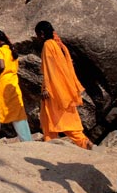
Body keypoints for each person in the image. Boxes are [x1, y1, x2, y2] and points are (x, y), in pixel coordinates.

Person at [34, 21, 94, 150]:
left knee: (49, 117)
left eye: (38, 35)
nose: (38, 38)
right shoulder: (60, 45)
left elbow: (49, 69)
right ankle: (83, 141)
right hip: (65, 88)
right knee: (68, 117)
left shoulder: (48, 45)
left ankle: (51, 144)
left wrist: (46, 88)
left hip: (54, 89)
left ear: (42, 34)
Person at [0, 30, 32, 147]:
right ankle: (28, 141)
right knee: (18, 112)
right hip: (14, 84)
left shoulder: (0, 50)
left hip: (3, 84)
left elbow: (1, 66)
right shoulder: (12, 51)